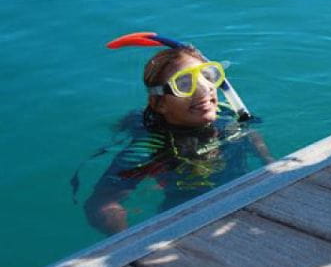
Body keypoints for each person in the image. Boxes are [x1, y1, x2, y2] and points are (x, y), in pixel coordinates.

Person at [82, 34, 271, 235]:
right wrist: (128, 240)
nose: (204, 90)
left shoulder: (226, 113)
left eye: (207, 76)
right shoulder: (149, 148)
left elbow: (250, 133)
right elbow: (99, 204)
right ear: (160, 104)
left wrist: (268, 160)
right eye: (183, 84)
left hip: (245, 199)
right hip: (189, 220)